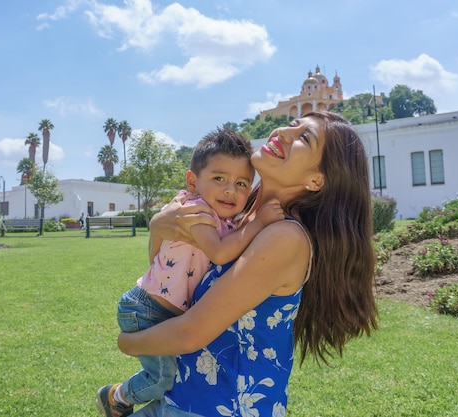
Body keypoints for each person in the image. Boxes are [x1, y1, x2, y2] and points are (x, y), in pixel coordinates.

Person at [117, 111, 379, 416]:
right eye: (292, 125)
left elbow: (191, 333)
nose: (282, 132)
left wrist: (127, 343)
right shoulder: (236, 218)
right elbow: (169, 270)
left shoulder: (284, 237)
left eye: (304, 138)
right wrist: (159, 228)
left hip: (224, 407)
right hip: (183, 395)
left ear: (316, 180)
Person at [96, 128, 285, 417]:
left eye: (241, 183)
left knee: (171, 378)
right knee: (163, 379)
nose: (229, 190)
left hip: (167, 310)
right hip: (148, 309)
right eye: (219, 178)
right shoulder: (195, 210)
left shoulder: (226, 220)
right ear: (192, 181)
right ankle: (114, 396)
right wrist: (259, 223)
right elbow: (220, 252)